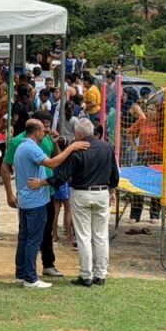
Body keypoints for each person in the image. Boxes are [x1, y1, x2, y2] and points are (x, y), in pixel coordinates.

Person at [13, 119, 88, 288]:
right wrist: (71, 148)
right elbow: (53, 163)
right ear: (36, 132)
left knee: (24, 238)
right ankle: (31, 279)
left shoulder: (21, 147)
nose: (45, 133)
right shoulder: (31, 148)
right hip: (35, 201)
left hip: (26, 200)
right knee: (33, 240)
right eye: (43, 130)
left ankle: (22, 273)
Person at [48, 118, 119, 287]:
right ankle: (101, 274)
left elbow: (62, 176)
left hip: (81, 193)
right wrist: (113, 191)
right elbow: (114, 173)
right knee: (101, 236)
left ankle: (86, 274)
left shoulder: (77, 149)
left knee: (84, 236)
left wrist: (44, 182)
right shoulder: (107, 147)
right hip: (102, 192)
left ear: (78, 134)